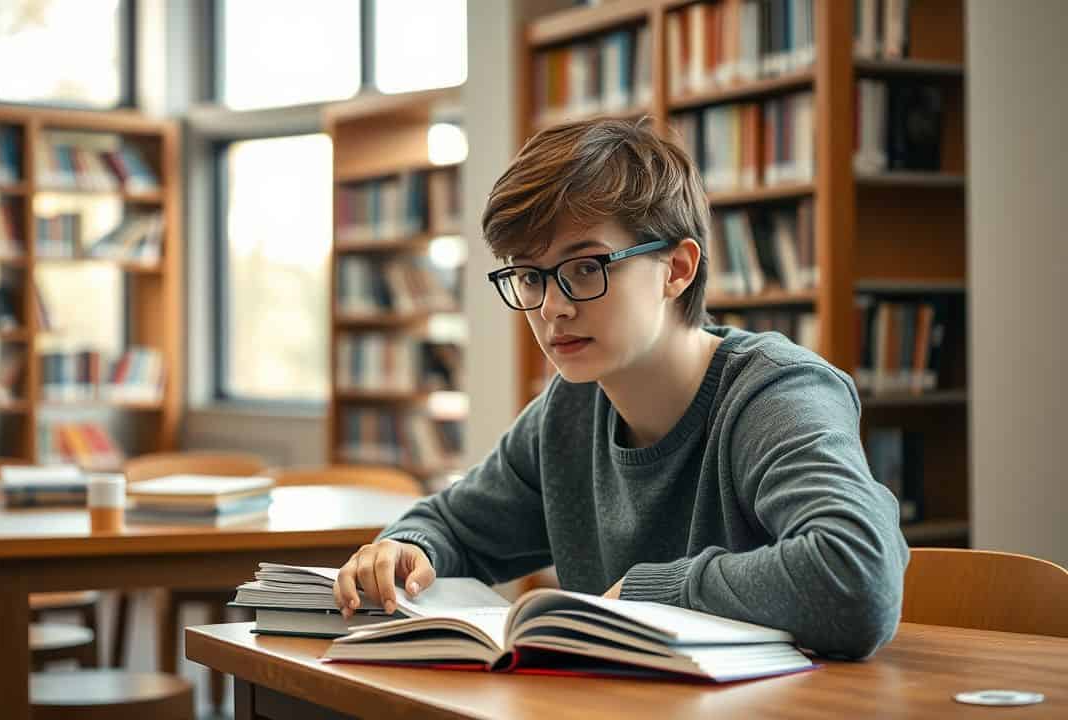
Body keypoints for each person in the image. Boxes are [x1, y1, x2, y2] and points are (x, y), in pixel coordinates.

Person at [332, 117, 908, 659]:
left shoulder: (774, 395)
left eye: (586, 267)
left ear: (677, 269)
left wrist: (652, 590)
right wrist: (406, 547)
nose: (552, 307)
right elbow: (453, 526)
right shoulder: (569, 410)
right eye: (530, 276)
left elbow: (855, 575)